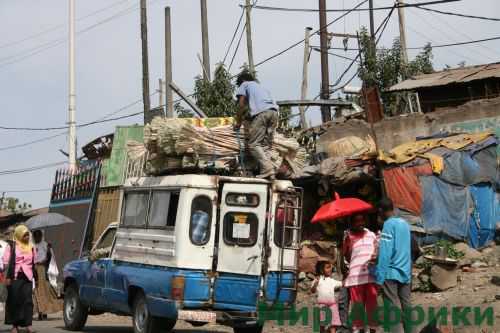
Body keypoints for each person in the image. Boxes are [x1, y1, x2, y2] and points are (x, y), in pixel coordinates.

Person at [374, 198, 412, 333]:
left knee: (392, 310)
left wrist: (379, 278)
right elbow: (408, 249)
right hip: (405, 271)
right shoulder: (405, 224)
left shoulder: (388, 225)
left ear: (380, 211)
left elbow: (385, 254)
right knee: (407, 306)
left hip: (391, 273)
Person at [234, 70, 279, 179]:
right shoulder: (261, 88)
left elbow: (241, 105)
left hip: (262, 114)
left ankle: (268, 169)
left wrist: (239, 121)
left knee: (254, 144)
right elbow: (262, 106)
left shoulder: (245, 84)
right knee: (265, 144)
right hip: (274, 113)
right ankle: (269, 172)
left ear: (242, 81)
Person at [342, 214, 378, 333]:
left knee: (372, 305)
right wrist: (347, 244)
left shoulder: (371, 234)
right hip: (355, 277)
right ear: (352, 223)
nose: (360, 223)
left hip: (370, 276)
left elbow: (376, 251)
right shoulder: (348, 236)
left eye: (362, 220)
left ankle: (373, 329)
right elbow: (346, 257)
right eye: (357, 221)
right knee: (358, 306)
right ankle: (359, 329)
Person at [3, 225, 36, 333]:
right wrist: (7, 277)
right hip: (15, 277)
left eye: (27, 235)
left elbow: (33, 262)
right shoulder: (11, 246)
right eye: (24, 235)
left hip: (27, 277)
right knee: (14, 301)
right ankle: (14, 325)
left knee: (27, 301)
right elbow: (6, 262)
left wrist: (35, 278)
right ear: (19, 235)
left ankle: (28, 324)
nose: (27, 237)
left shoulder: (31, 247)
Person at [33, 230, 62, 320]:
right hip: (34, 270)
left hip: (42, 270)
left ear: (41, 236)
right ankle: (40, 312)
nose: (37, 238)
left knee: (44, 292)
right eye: (35, 236)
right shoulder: (32, 246)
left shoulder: (46, 245)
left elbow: (49, 259)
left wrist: (49, 250)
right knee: (36, 292)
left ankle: (44, 312)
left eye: (39, 236)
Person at [311, 260, 343, 333]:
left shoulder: (332, 281)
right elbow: (312, 290)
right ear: (321, 270)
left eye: (331, 267)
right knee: (323, 323)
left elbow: (341, 283)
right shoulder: (318, 279)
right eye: (328, 267)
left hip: (332, 305)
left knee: (333, 323)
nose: (330, 269)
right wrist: (316, 283)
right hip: (323, 305)